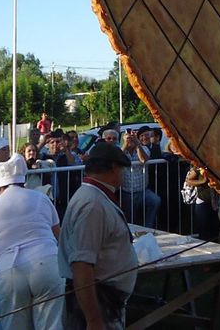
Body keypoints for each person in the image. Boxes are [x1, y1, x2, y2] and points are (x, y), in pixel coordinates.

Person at [58, 141, 138, 329]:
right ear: (113, 168)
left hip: (106, 299)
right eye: (122, 169)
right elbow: (81, 264)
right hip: (99, 300)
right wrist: (93, 320)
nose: (123, 174)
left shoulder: (95, 197)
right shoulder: (92, 205)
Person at [0, 158, 63, 330]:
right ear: (23, 182)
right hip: (46, 263)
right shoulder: (41, 198)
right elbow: (57, 235)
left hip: (9, 270)